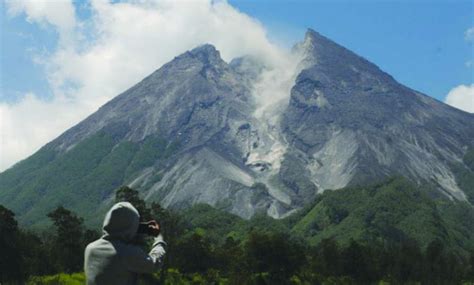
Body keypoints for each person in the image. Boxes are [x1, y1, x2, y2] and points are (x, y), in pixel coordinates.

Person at [84, 202, 166, 285]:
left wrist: (136, 227)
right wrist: (159, 237)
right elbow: (154, 264)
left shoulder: (90, 248)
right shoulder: (126, 252)